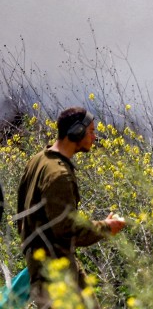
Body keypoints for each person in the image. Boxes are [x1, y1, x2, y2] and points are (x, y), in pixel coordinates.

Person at [14, 107, 126, 307]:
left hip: (53, 263)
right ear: (76, 132)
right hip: (54, 275)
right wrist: (107, 227)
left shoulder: (39, 159)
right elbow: (67, 230)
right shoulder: (59, 175)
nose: (94, 137)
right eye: (90, 131)